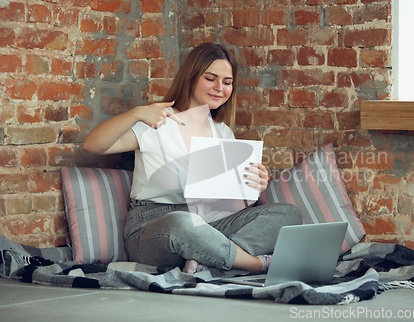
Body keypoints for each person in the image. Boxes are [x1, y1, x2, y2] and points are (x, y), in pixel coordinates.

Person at [83, 43, 302, 274]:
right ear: (192, 76)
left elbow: (231, 205)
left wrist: (253, 186)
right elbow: (93, 145)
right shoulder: (158, 121)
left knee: (288, 214)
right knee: (182, 223)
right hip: (155, 226)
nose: (220, 88)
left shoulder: (223, 131)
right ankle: (254, 263)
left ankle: (206, 259)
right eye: (211, 78)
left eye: (227, 82)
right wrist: (136, 113)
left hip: (208, 221)